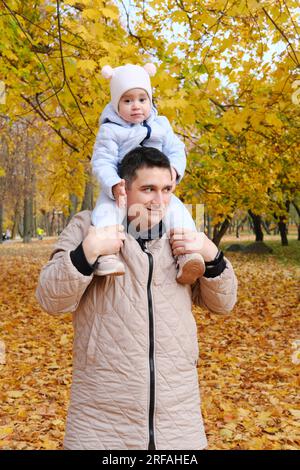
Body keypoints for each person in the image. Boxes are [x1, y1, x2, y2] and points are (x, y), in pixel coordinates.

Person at [36, 147, 238, 451]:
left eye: (166, 189)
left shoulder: (182, 234)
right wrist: (87, 252)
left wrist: (212, 254)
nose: (159, 200)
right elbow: (51, 299)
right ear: (123, 189)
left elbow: (223, 304)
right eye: (148, 189)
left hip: (178, 416)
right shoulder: (87, 226)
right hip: (100, 419)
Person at [91, 62, 204, 284]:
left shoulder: (161, 124)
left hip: (155, 184)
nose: (136, 106)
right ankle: (106, 256)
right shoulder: (110, 130)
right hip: (122, 184)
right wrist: (113, 184)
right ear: (116, 103)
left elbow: (176, 149)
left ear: (150, 100)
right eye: (127, 100)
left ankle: (187, 255)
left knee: (179, 212)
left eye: (142, 99)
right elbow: (102, 161)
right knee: (105, 212)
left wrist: (173, 170)